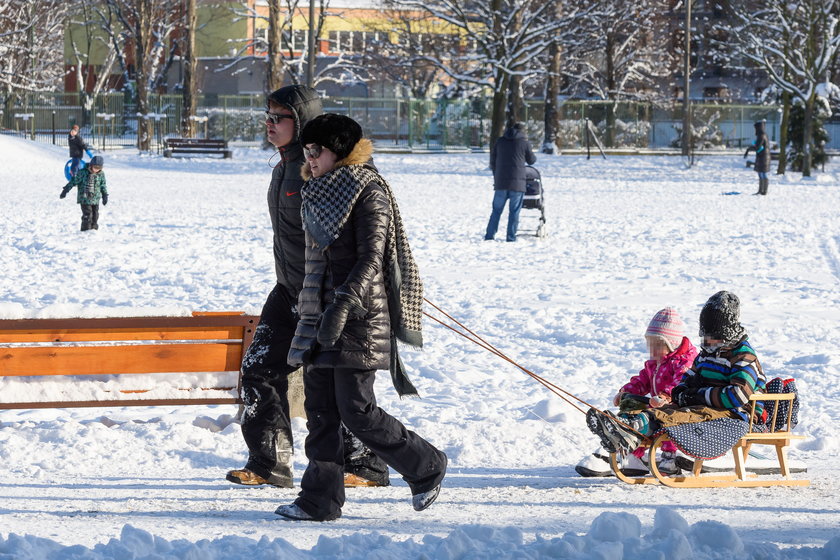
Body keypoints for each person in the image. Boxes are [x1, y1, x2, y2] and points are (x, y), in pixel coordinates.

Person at [275, 113, 447, 522]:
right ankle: (319, 500)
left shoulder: (370, 191)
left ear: (340, 150)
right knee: (320, 412)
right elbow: (314, 261)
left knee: (356, 411)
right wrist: (311, 308)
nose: (310, 160)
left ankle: (426, 465)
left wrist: (343, 304)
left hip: (361, 317)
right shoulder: (317, 191)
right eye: (307, 152)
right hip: (318, 315)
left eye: (317, 151)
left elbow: (372, 256)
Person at [226, 86, 389, 490]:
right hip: (289, 287)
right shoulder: (284, 165)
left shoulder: (322, 168)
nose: (269, 124)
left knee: (338, 384)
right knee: (258, 367)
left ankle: (366, 464)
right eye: (267, 115)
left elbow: (354, 230)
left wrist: (347, 287)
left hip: (324, 294)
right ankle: (270, 464)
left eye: (278, 117)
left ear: (299, 121)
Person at [587, 291, 766, 457]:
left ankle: (635, 427)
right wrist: (681, 393)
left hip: (738, 412)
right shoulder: (707, 354)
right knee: (674, 409)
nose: (707, 341)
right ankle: (623, 426)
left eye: (713, 336)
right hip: (710, 406)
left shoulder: (744, 356)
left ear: (726, 334)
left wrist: (696, 395)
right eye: (705, 335)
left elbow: (738, 395)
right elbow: (688, 378)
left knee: (686, 415)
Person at [484, 122, 536, 242]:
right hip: (517, 184)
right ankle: (510, 238)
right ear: (523, 132)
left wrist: (496, 177)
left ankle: (489, 236)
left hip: (501, 183)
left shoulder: (500, 141)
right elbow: (532, 161)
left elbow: (493, 161)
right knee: (514, 212)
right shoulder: (524, 143)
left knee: (496, 211)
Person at [60, 155, 107, 231]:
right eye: (95, 167)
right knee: (88, 215)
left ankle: (93, 231)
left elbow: (103, 185)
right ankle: (85, 232)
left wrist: (105, 195)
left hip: (95, 198)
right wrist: (65, 190)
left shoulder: (101, 174)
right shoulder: (82, 172)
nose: (96, 170)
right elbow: (73, 182)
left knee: (95, 215)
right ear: (91, 165)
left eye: (99, 168)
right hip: (84, 198)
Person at [744, 119, 771, 195]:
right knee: (760, 173)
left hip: (763, 157)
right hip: (762, 157)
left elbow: (757, 147)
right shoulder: (762, 135)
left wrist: (748, 149)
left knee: (762, 173)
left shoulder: (761, 135)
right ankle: (761, 190)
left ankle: (764, 191)